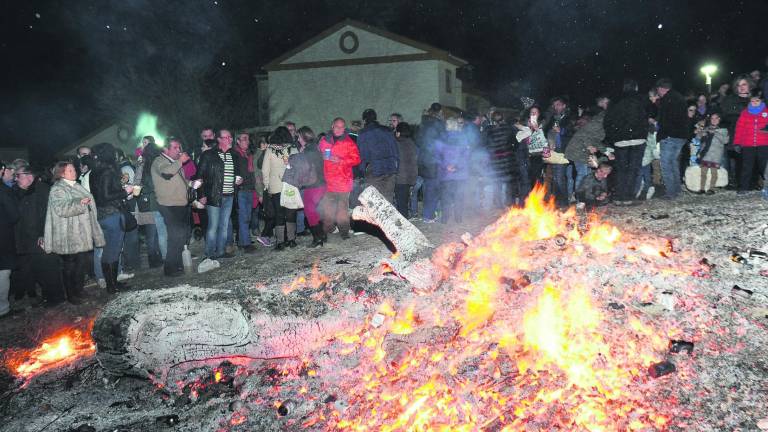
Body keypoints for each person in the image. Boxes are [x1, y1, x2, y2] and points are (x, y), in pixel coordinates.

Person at [44, 162, 105, 303]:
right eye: (70, 170)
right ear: (61, 173)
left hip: (81, 233)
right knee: (70, 266)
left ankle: (79, 290)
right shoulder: (57, 189)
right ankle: (71, 295)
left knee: (80, 264)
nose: (74, 172)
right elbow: (61, 209)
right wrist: (80, 203)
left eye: (73, 169)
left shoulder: (75, 185)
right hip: (67, 235)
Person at [12, 164, 65, 305]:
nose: (15, 179)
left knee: (49, 268)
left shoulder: (42, 190)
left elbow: (48, 214)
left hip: (42, 238)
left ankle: (56, 298)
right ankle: (48, 295)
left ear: (30, 176)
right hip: (30, 240)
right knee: (39, 270)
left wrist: (43, 234)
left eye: (18, 175)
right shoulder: (26, 192)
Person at [90, 143, 133, 293]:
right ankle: (112, 286)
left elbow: (100, 193)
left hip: (100, 215)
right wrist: (125, 191)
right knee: (113, 251)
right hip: (112, 214)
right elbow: (106, 195)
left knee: (108, 250)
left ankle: (112, 284)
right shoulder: (107, 171)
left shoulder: (93, 172)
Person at [197, 129, 242, 260]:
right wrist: (201, 195)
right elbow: (199, 176)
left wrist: (239, 180)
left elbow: (237, 174)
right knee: (213, 225)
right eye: (227, 137)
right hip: (214, 195)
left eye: (230, 137)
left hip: (229, 195)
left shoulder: (234, 154)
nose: (230, 139)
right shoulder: (209, 155)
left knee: (224, 226)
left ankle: (221, 251)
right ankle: (209, 254)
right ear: (219, 139)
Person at [152, 138, 192, 276]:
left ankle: (178, 264)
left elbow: (178, 181)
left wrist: (191, 183)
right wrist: (180, 161)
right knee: (175, 236)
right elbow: (166, 174)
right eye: (175, 147)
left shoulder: (173, 163)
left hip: (179, 203)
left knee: (181, 236)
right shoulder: (159, 161)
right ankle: (169, 268)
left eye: (179, 147)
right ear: (165, 149)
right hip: (168, 204)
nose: (179, 150)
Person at [603, 79, 648, 205]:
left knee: (621, 168)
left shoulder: (615, 101)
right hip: (638, 138)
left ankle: (619, 196)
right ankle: (629, 196)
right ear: (636, 87)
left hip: (620, 140)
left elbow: (607, 121)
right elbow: (649, 114)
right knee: (634, 168)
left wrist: (613, 137)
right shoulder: (641, 99)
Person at [282, 126, 327, 248]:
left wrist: (290, 160)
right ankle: (322, 235)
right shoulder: (315, 148)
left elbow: (302, 165)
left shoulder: (309, 151)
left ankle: (318, 239)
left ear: (303, 137)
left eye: (299, 137)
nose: (298, 139)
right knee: (315, 211)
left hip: (313, 186)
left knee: (309, 212)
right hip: (321, 184)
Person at [318, 118, 361, 239]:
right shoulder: (324, 140)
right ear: (332, 126)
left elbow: (357, 159)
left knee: (342, 209)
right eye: (337, 126)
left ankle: (344, 232)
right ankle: (329, 229)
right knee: (327, 209)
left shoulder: (348, 142)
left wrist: (341, 161)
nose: (339, 129)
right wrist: (321, 156)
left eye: (342, 127)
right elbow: (318, 154)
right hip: (328, 181)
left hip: (343, 181)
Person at [262, 127, 299, 250]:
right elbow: (298, 168)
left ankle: (280, 242)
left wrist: (267, 185)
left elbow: (264, 170)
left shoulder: (270, 150)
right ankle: (291, 239)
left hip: (276, 186)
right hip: (290, 185)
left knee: (279, 214)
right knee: (290, 213)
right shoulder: (293, 149)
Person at [654, 78, 690, 200]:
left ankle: (671, 192)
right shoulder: (679, 97)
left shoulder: (666, 100)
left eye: (658, 90)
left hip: (669, 136)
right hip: (681, 136)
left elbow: (664, 119)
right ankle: (677, 190)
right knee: (673, 162)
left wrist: (662, 132)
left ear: (661, 89)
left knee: (666, 165)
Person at [357, 109, 400, 203]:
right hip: (390, 168)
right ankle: (388, 217)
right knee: (388, 200)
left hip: (374, 169)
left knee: (375, 202)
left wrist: (361, 172)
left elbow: (362, 154)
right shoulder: (387, 130)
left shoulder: (363, 133)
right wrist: (396, 168)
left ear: (364, 120)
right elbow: (395, 151)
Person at [720, 75, 756, 187]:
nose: (741, 87)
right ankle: (742, 184)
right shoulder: (730, 100)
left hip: (754, 135)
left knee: (754, 160)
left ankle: (753, 183)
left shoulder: (756, 99)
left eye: (744, 84)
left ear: (749, 85)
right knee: (740, 160)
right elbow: (725, 116)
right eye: (738, 85)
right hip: (737, 135)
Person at [436, 118, 471, 223]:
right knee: (459, 197)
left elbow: (438, 155)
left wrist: (446, 166)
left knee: (445, 197)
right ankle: (458, 219)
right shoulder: (463, 138)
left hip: (446, 174)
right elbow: (466, 156)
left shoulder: (442, 138)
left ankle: (445, 219)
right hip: (460, 174)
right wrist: (456, 166)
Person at [733, 90, 768, 194]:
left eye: (757, 101)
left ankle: (765, 186)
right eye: (752, 101)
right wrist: (737, 142)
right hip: (748, 144)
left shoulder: (766, 112)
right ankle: (743, 187)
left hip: (763, 144)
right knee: (747, 166)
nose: (754, 103)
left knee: (764, 167)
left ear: (761, 101)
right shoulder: (745, 113)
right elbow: (739, 129)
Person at [483, 110, 516, 208]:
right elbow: (515, 143)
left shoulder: (488, 129)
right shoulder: (509, 129)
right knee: (509, 182)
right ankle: (509, 203)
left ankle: (498, 204)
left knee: (497, 182)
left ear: (492, 119)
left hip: (495, 159)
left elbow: (484, 143)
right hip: (507, 159)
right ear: (503, 118)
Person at [233, 132, 257, 253]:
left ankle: (243, 241)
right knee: (244, 217)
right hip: (241, 189)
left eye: (248, 139)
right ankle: (246, 244)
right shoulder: (235, 155)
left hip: (249, 188)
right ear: (238, 141)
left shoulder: (248, 155)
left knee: (247, 217)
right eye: (244, 139)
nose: (247, 141)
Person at [0, 161, 19, 316]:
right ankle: (3, 309)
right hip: (2, 237)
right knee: (3, 272)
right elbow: (13, 215)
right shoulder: (2, 190)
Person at [694, 111, 729, 194]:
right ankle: (702, 188)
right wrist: (699, 132)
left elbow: (725, 141)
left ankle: (711, 188)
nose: (714, 120)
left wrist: (715, 133)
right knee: (703, 172)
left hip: (716, 155)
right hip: (706, 153)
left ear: (719, 119)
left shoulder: (723, 130)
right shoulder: (706, 128)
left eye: (716, 118)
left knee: (714, 172)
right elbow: (698, 138)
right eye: (712, 118)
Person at [394, 123, 418, 218]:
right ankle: (403, 219)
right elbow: (414, 162)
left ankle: (403, 223)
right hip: (409, 177)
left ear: (398, 133)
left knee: (401, 204)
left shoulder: (396, 144)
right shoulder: (412, 143)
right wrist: (413, 179)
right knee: (404, 202)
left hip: (399, 178)